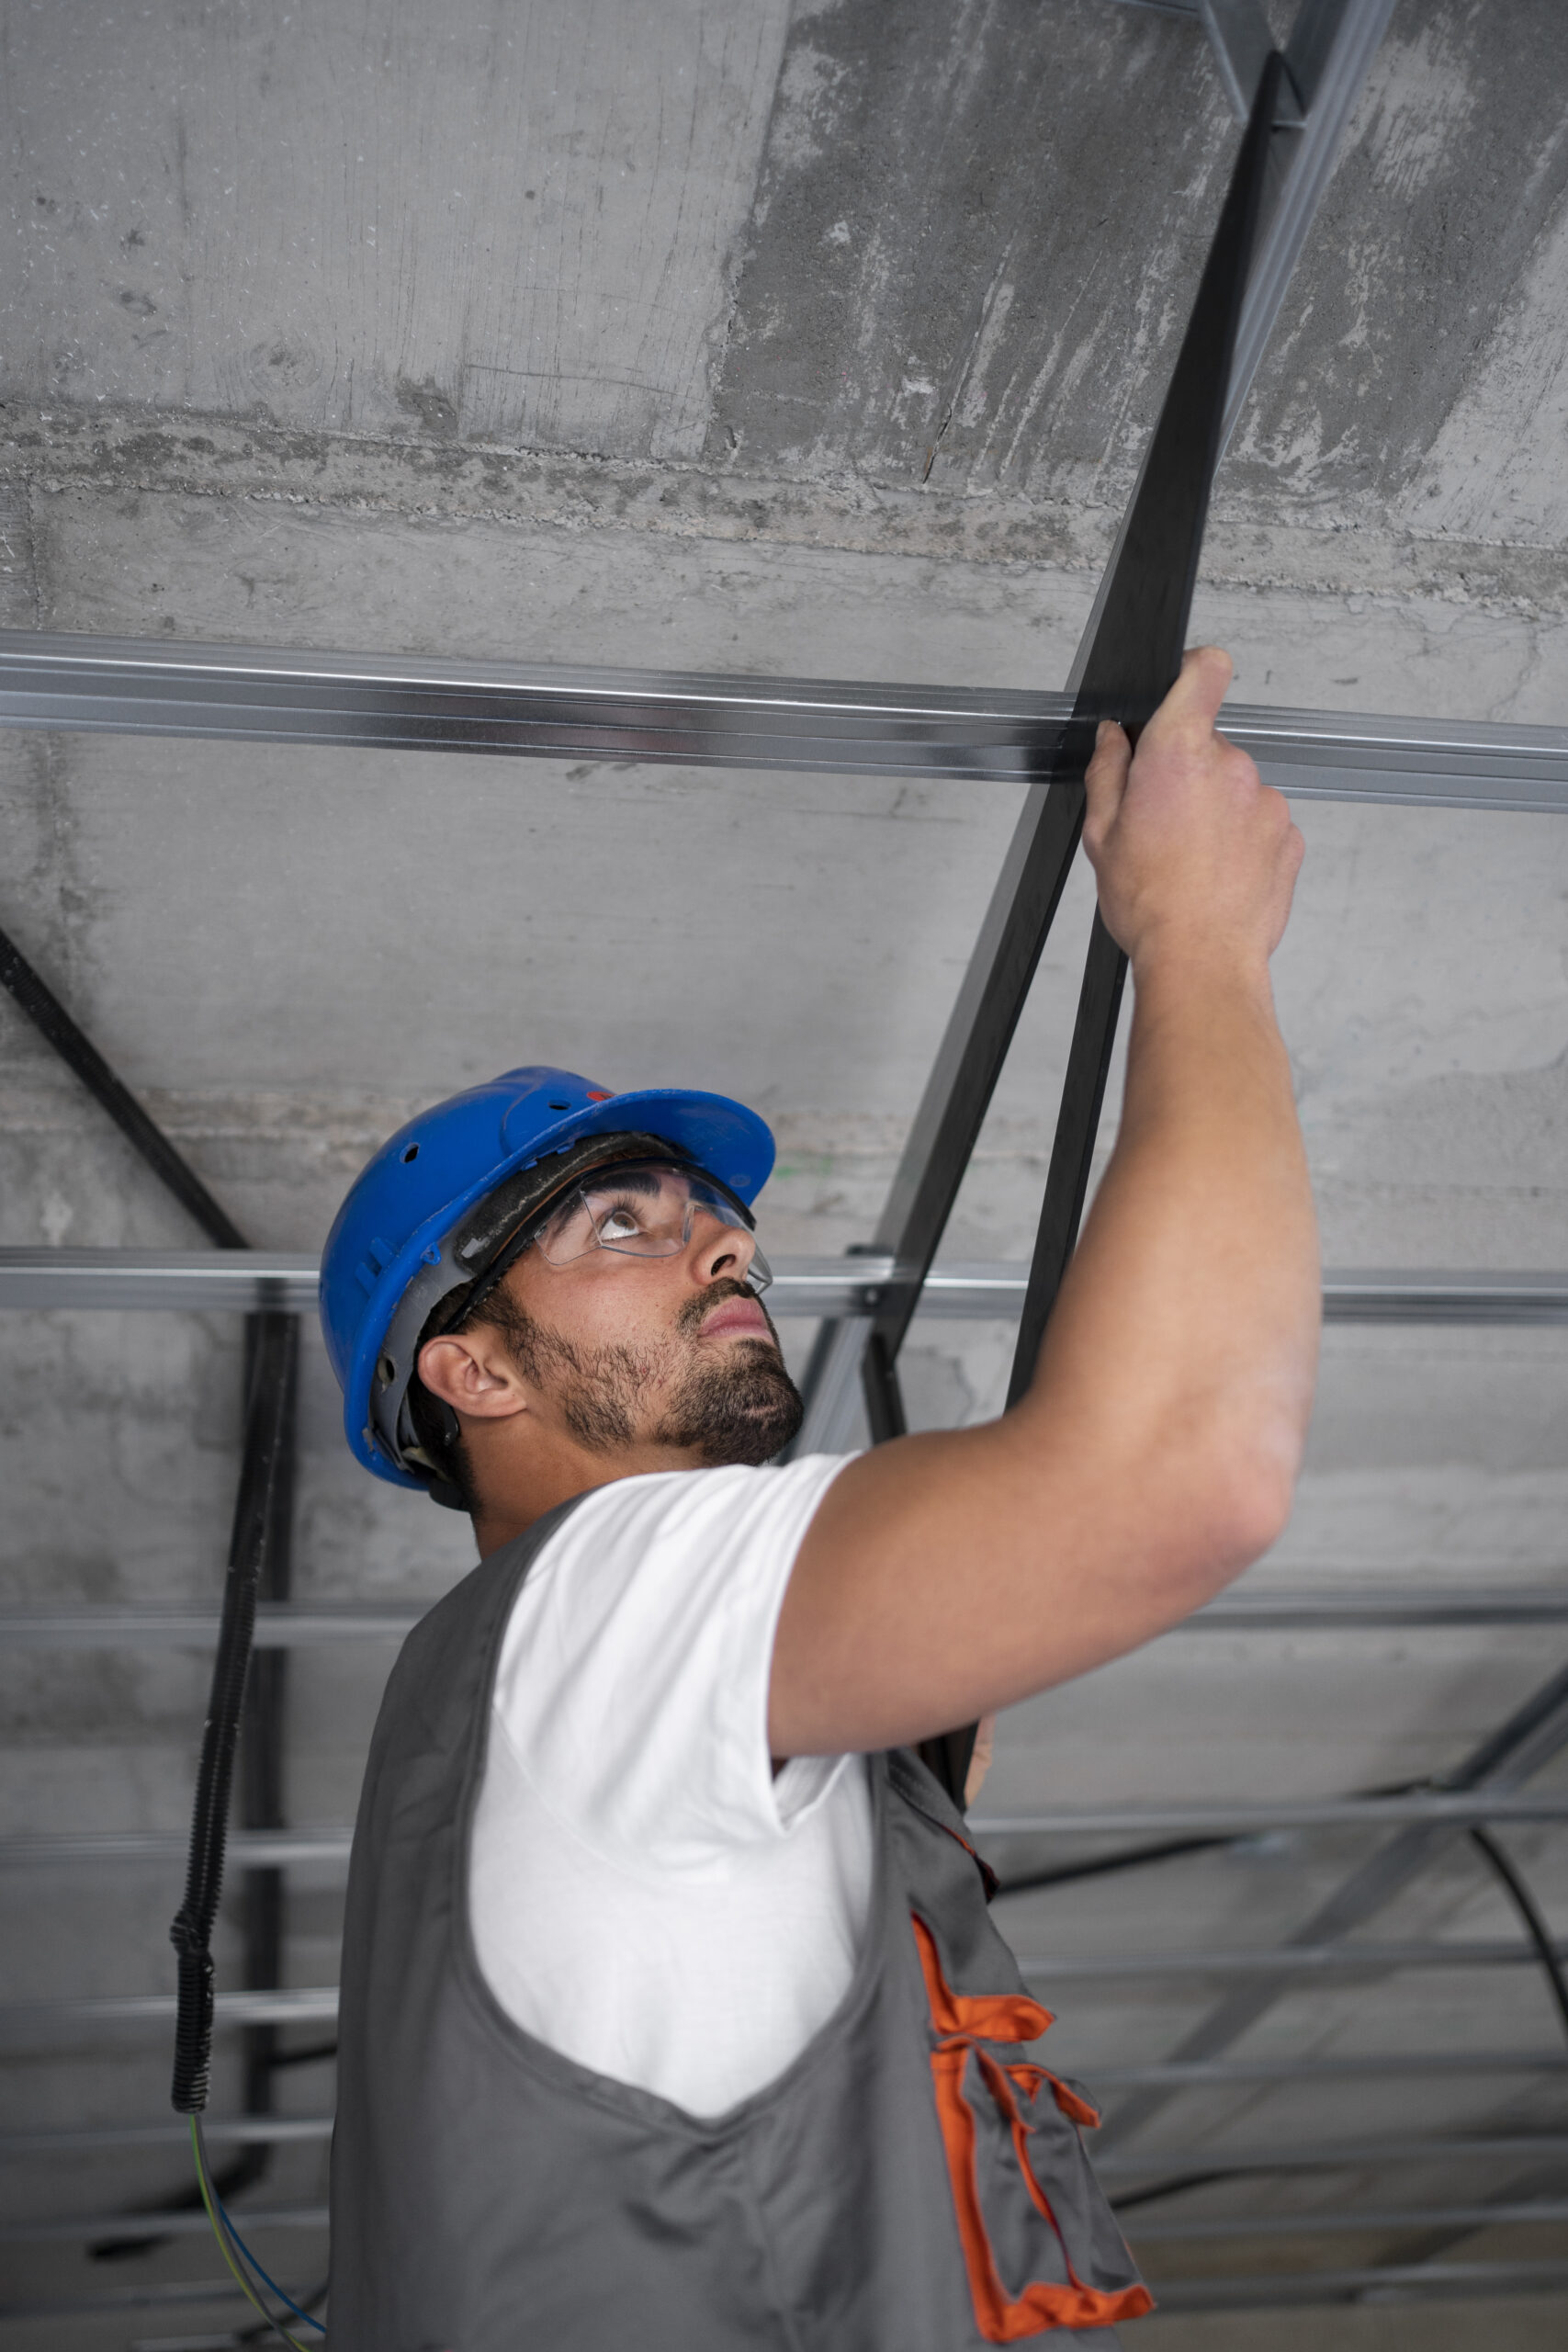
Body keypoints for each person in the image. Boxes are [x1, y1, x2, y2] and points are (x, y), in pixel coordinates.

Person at [318, 646, 1317, 2350]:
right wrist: (1201, 941)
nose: (725, 1242)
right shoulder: (606, 1601)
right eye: (620, 1222)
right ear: (470, 1371)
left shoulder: (534, 1707)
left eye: (714, 1221)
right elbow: (1188, 1471)